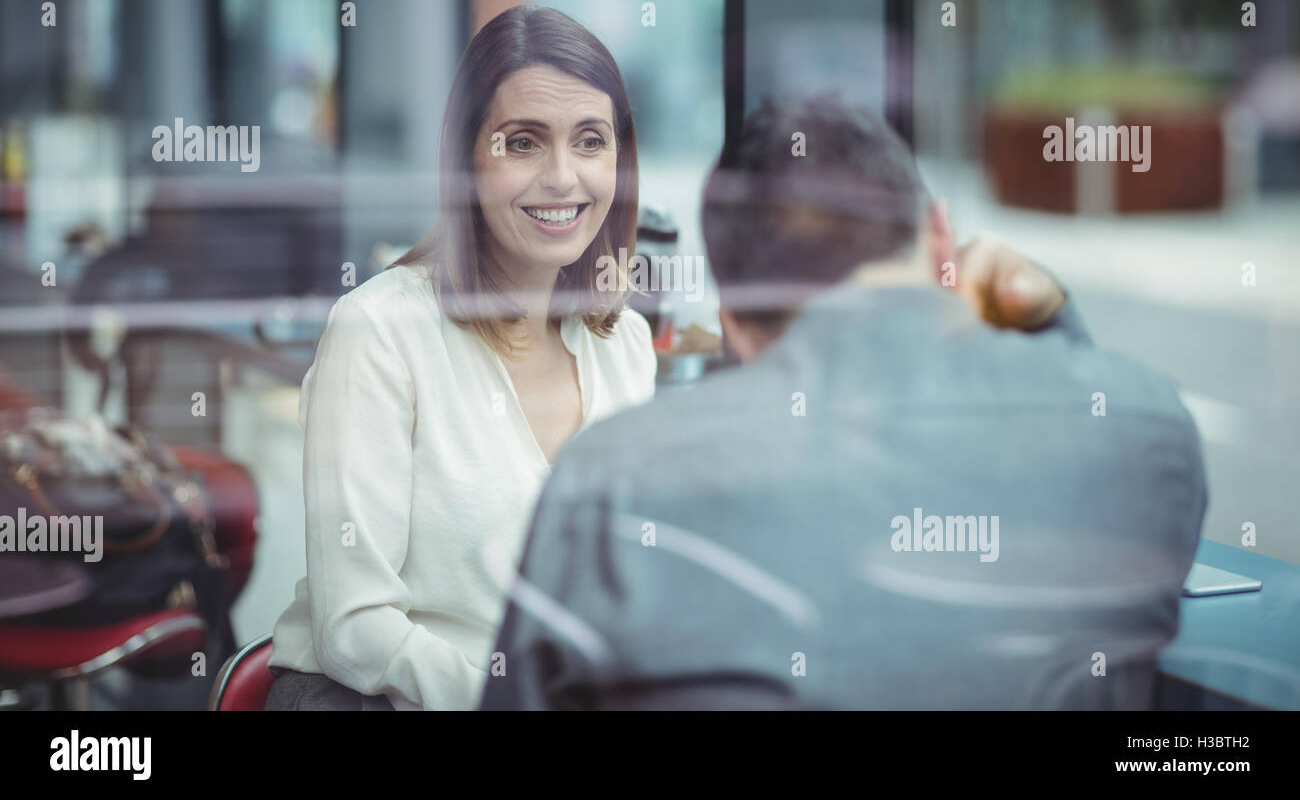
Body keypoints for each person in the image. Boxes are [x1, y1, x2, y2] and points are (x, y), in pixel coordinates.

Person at [481, 96, 1208, 710]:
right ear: (941, 238)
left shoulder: (614, 482)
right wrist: (1052, 316)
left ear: (732, 318)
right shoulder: (1149, 433)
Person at [265, 7, 657, 710]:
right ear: (466, 159)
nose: (563, 176)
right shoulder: (379, 332)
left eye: (591, 140)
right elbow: (353, 627)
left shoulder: (622, 344)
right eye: (523, 143)